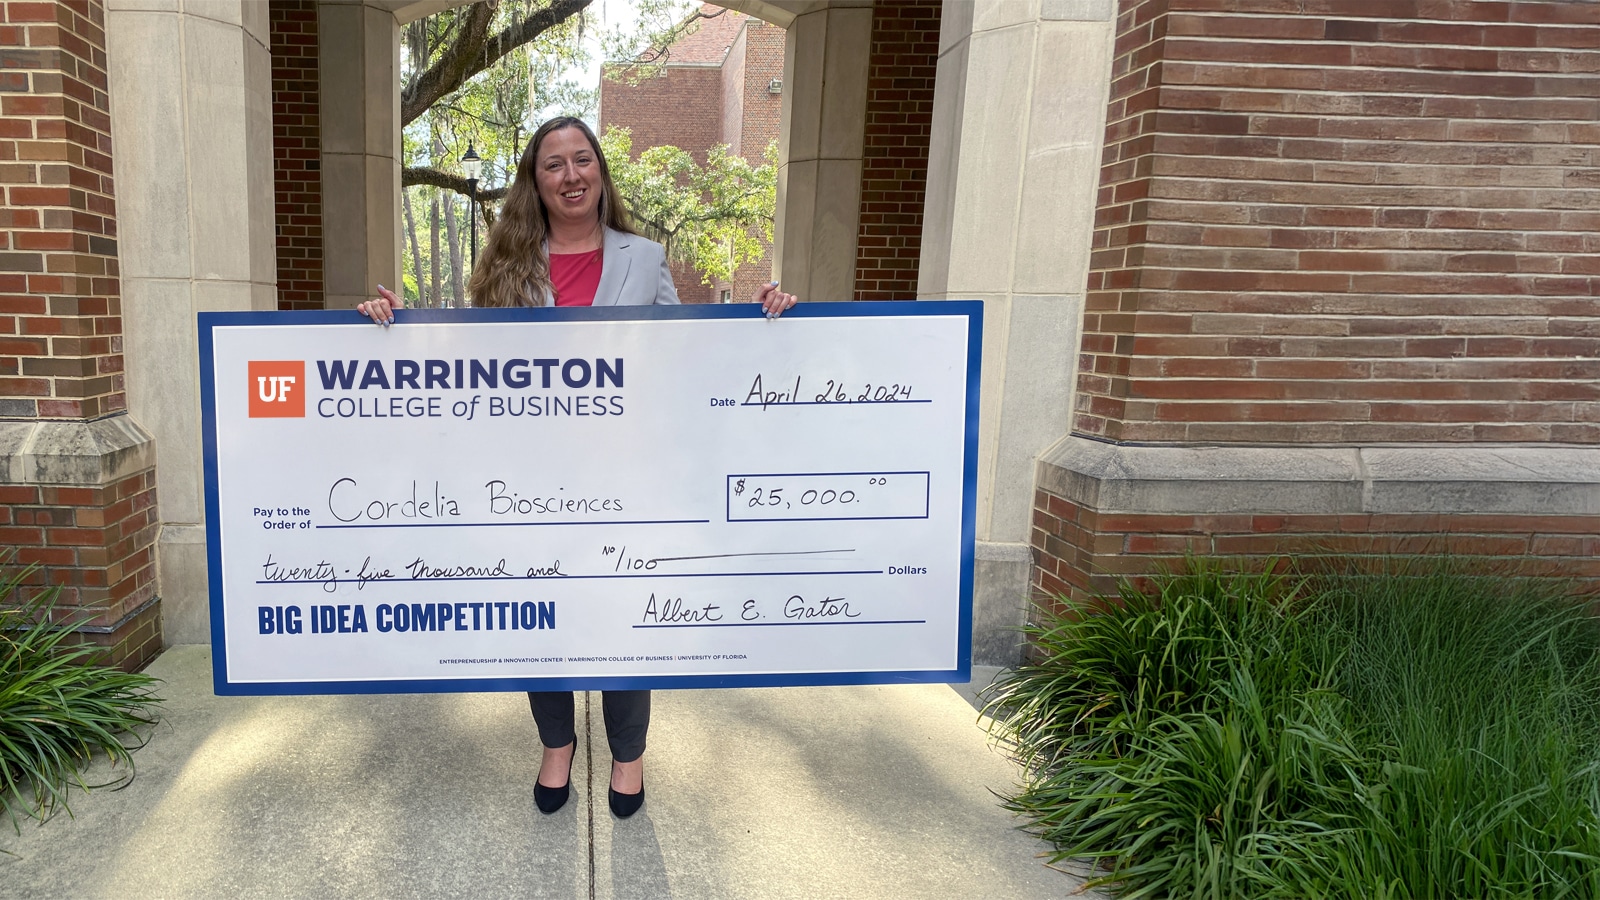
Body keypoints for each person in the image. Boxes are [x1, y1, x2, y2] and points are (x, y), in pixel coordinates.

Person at [357, 116, 799, 819]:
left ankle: (628, 756)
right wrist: (399, 330)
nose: (570, 175)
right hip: (535, 484)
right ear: (536, 182)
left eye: (581, 160)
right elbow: (472, 368)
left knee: (627, 617)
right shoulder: (507, 264)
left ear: (600, 170)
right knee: (546, 617)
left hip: (630, 477)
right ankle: (557, 745)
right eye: (553, 164)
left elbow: (687, 358)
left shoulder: (645, 259)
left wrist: (765, 322)